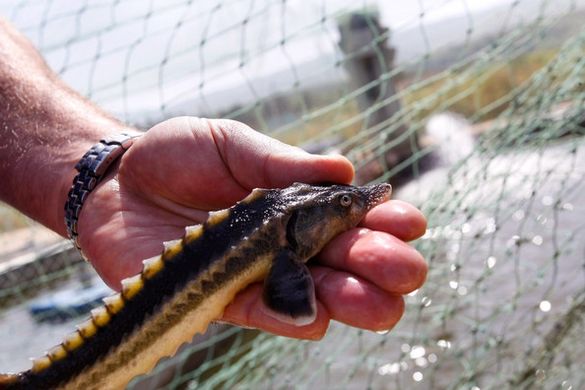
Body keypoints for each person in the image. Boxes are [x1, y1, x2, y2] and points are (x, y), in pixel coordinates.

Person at [0, 17, 427, 340]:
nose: (359, 200)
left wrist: (102, 175)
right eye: (343, 204)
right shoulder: (286, 252)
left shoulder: (285, 241)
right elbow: (291, 302)